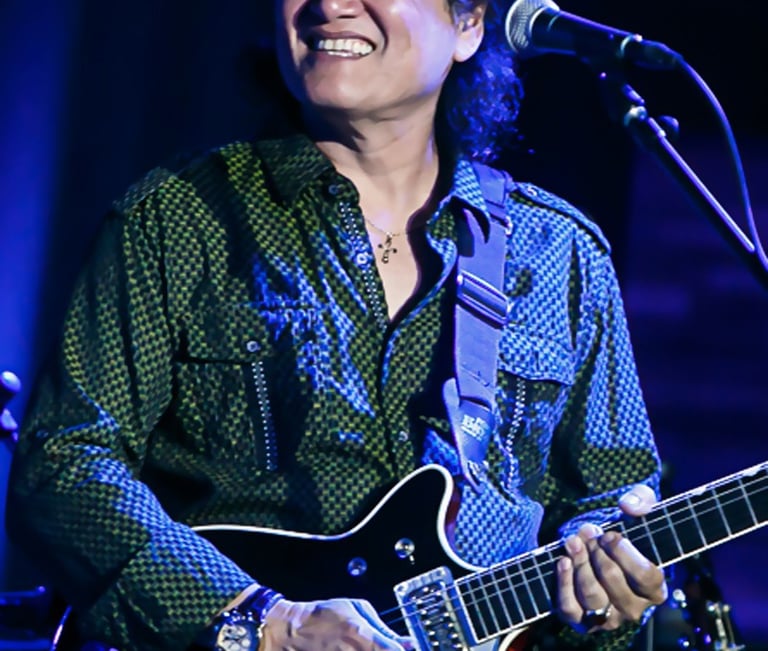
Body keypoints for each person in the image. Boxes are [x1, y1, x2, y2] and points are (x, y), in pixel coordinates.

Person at [5, 0, 668, 649]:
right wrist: (263, 622)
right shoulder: (178, 218)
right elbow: (63, 465)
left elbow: (607, 498)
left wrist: (608, 592)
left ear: (468, 24)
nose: (329, 4)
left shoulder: (561, 254)